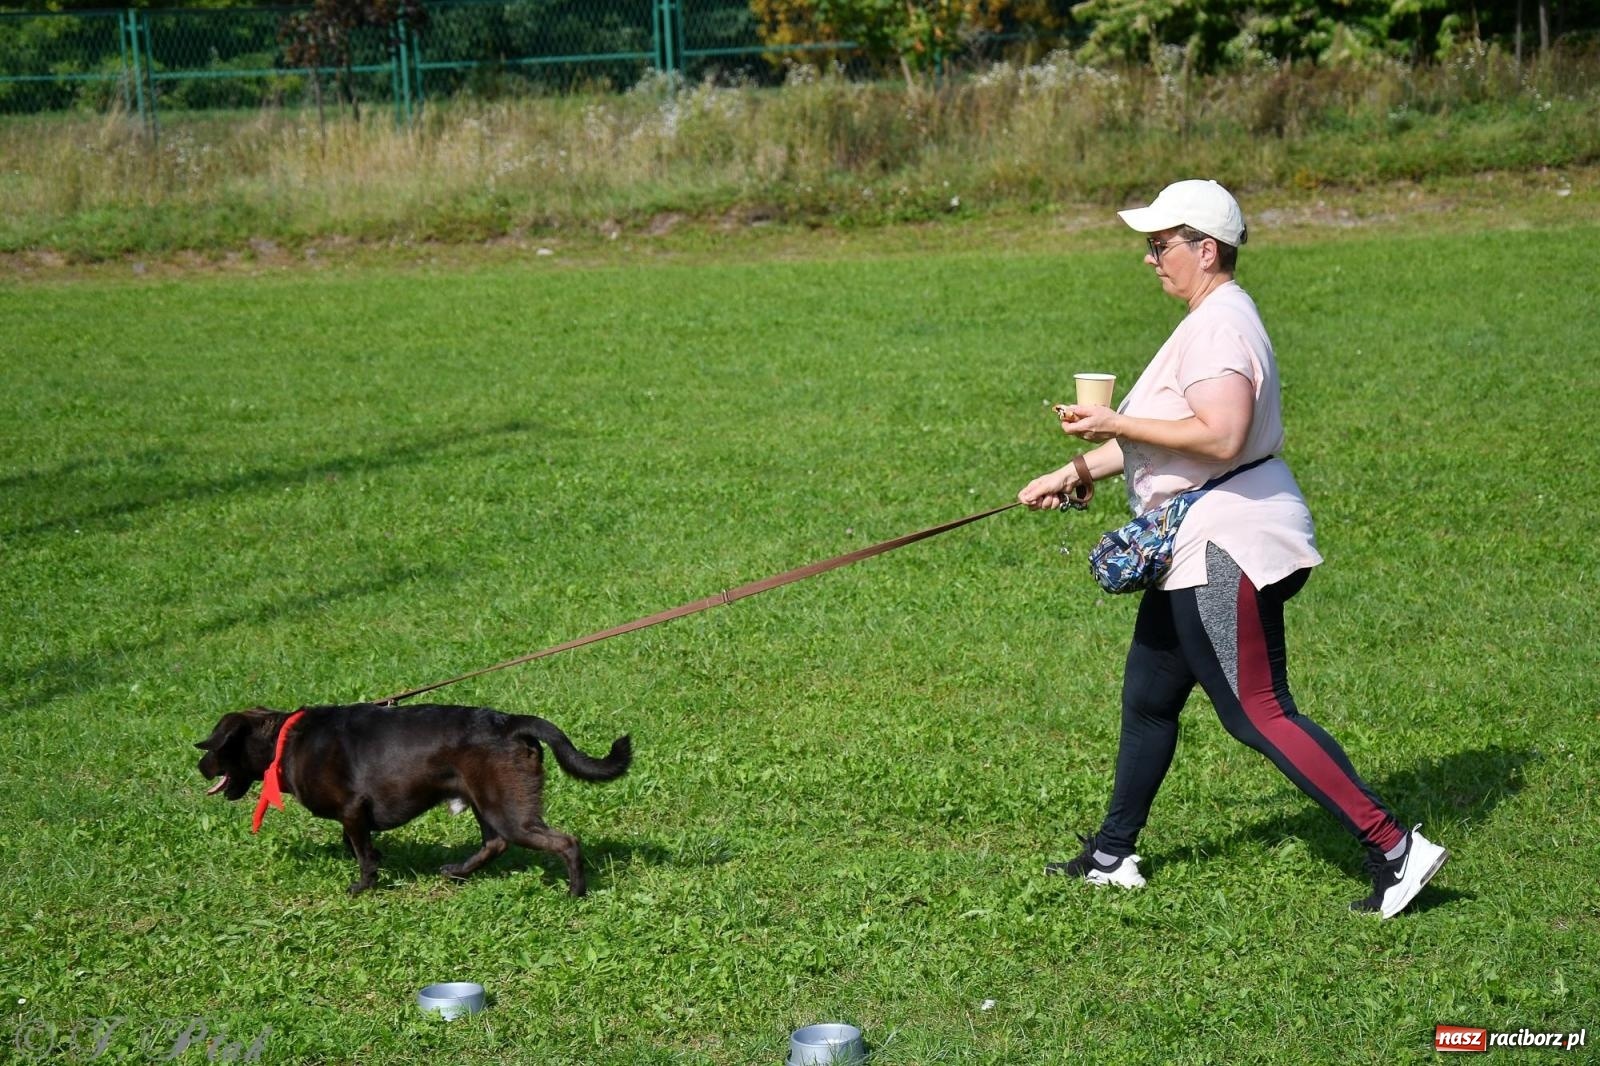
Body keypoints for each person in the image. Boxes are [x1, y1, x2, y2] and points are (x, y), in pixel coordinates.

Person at [1018, 179, 1447, 918]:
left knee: (1258, 713)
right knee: (1150, 700)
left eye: (1161, 245)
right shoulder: (1209, 320)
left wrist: (1113, 421)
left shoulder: (1219, 327)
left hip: (1224, 545)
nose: (1150, 259)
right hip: (1196, 537)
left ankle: (1396, 850)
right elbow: (1181, 438)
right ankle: (1112, 855)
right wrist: (1077, 468)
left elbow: (1220, 434)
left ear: (1206, 249)